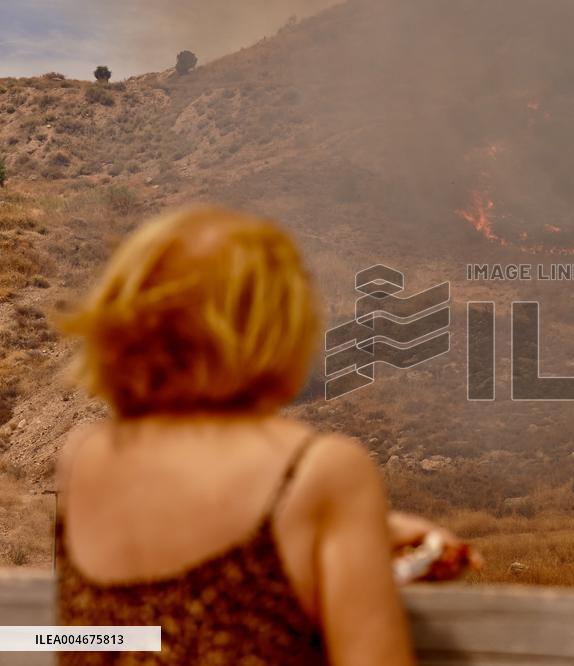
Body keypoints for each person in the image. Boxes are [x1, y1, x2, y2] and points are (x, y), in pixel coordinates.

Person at [55, 206, 475, 664]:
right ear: (278, 327)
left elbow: (159, 609)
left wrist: (364, 531)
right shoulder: (320, 469)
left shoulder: (85, 456)